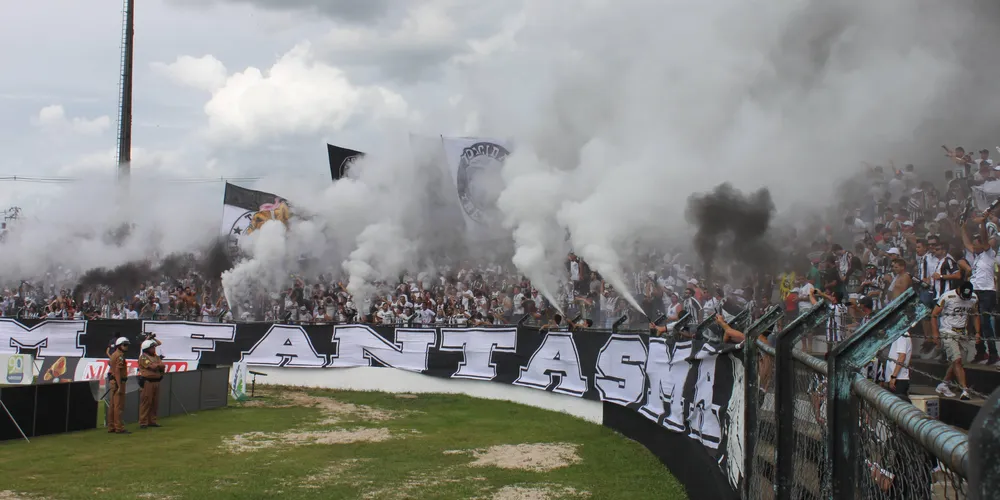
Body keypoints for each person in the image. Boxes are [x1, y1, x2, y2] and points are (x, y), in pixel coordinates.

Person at [930, 281, 979, 400]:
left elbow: (975, 314)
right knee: (957, 360)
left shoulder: (973, 298)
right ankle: (965, 390)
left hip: (962, 332)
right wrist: (935, 333)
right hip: (947, 331)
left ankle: (944, 384)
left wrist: (977, 332)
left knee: (959, 361)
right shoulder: (947, 297)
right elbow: (934, 314)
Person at [138, 336, 165, 429]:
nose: (154, 349)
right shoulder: (143, 357)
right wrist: (158, 365)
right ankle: (143, 422)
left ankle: (152, 421)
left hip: (156, 382)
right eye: (152, 347)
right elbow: (152, 367)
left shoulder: (155, 357)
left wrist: (158, 365)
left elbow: (162, 365)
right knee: (146, 402)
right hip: (148, 382)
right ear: (147, 348)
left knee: (154, 403)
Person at [107, 337, 130, 434]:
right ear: (119, 346)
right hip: (118, 382)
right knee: (118, 406)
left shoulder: (113, 355)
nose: (126, 347)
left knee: (112, 405)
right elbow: (117, 371)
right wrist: (119, 384)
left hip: (113, 382)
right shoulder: (120, 356)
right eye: (125, 345)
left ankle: (111, 426)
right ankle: (119, 427)